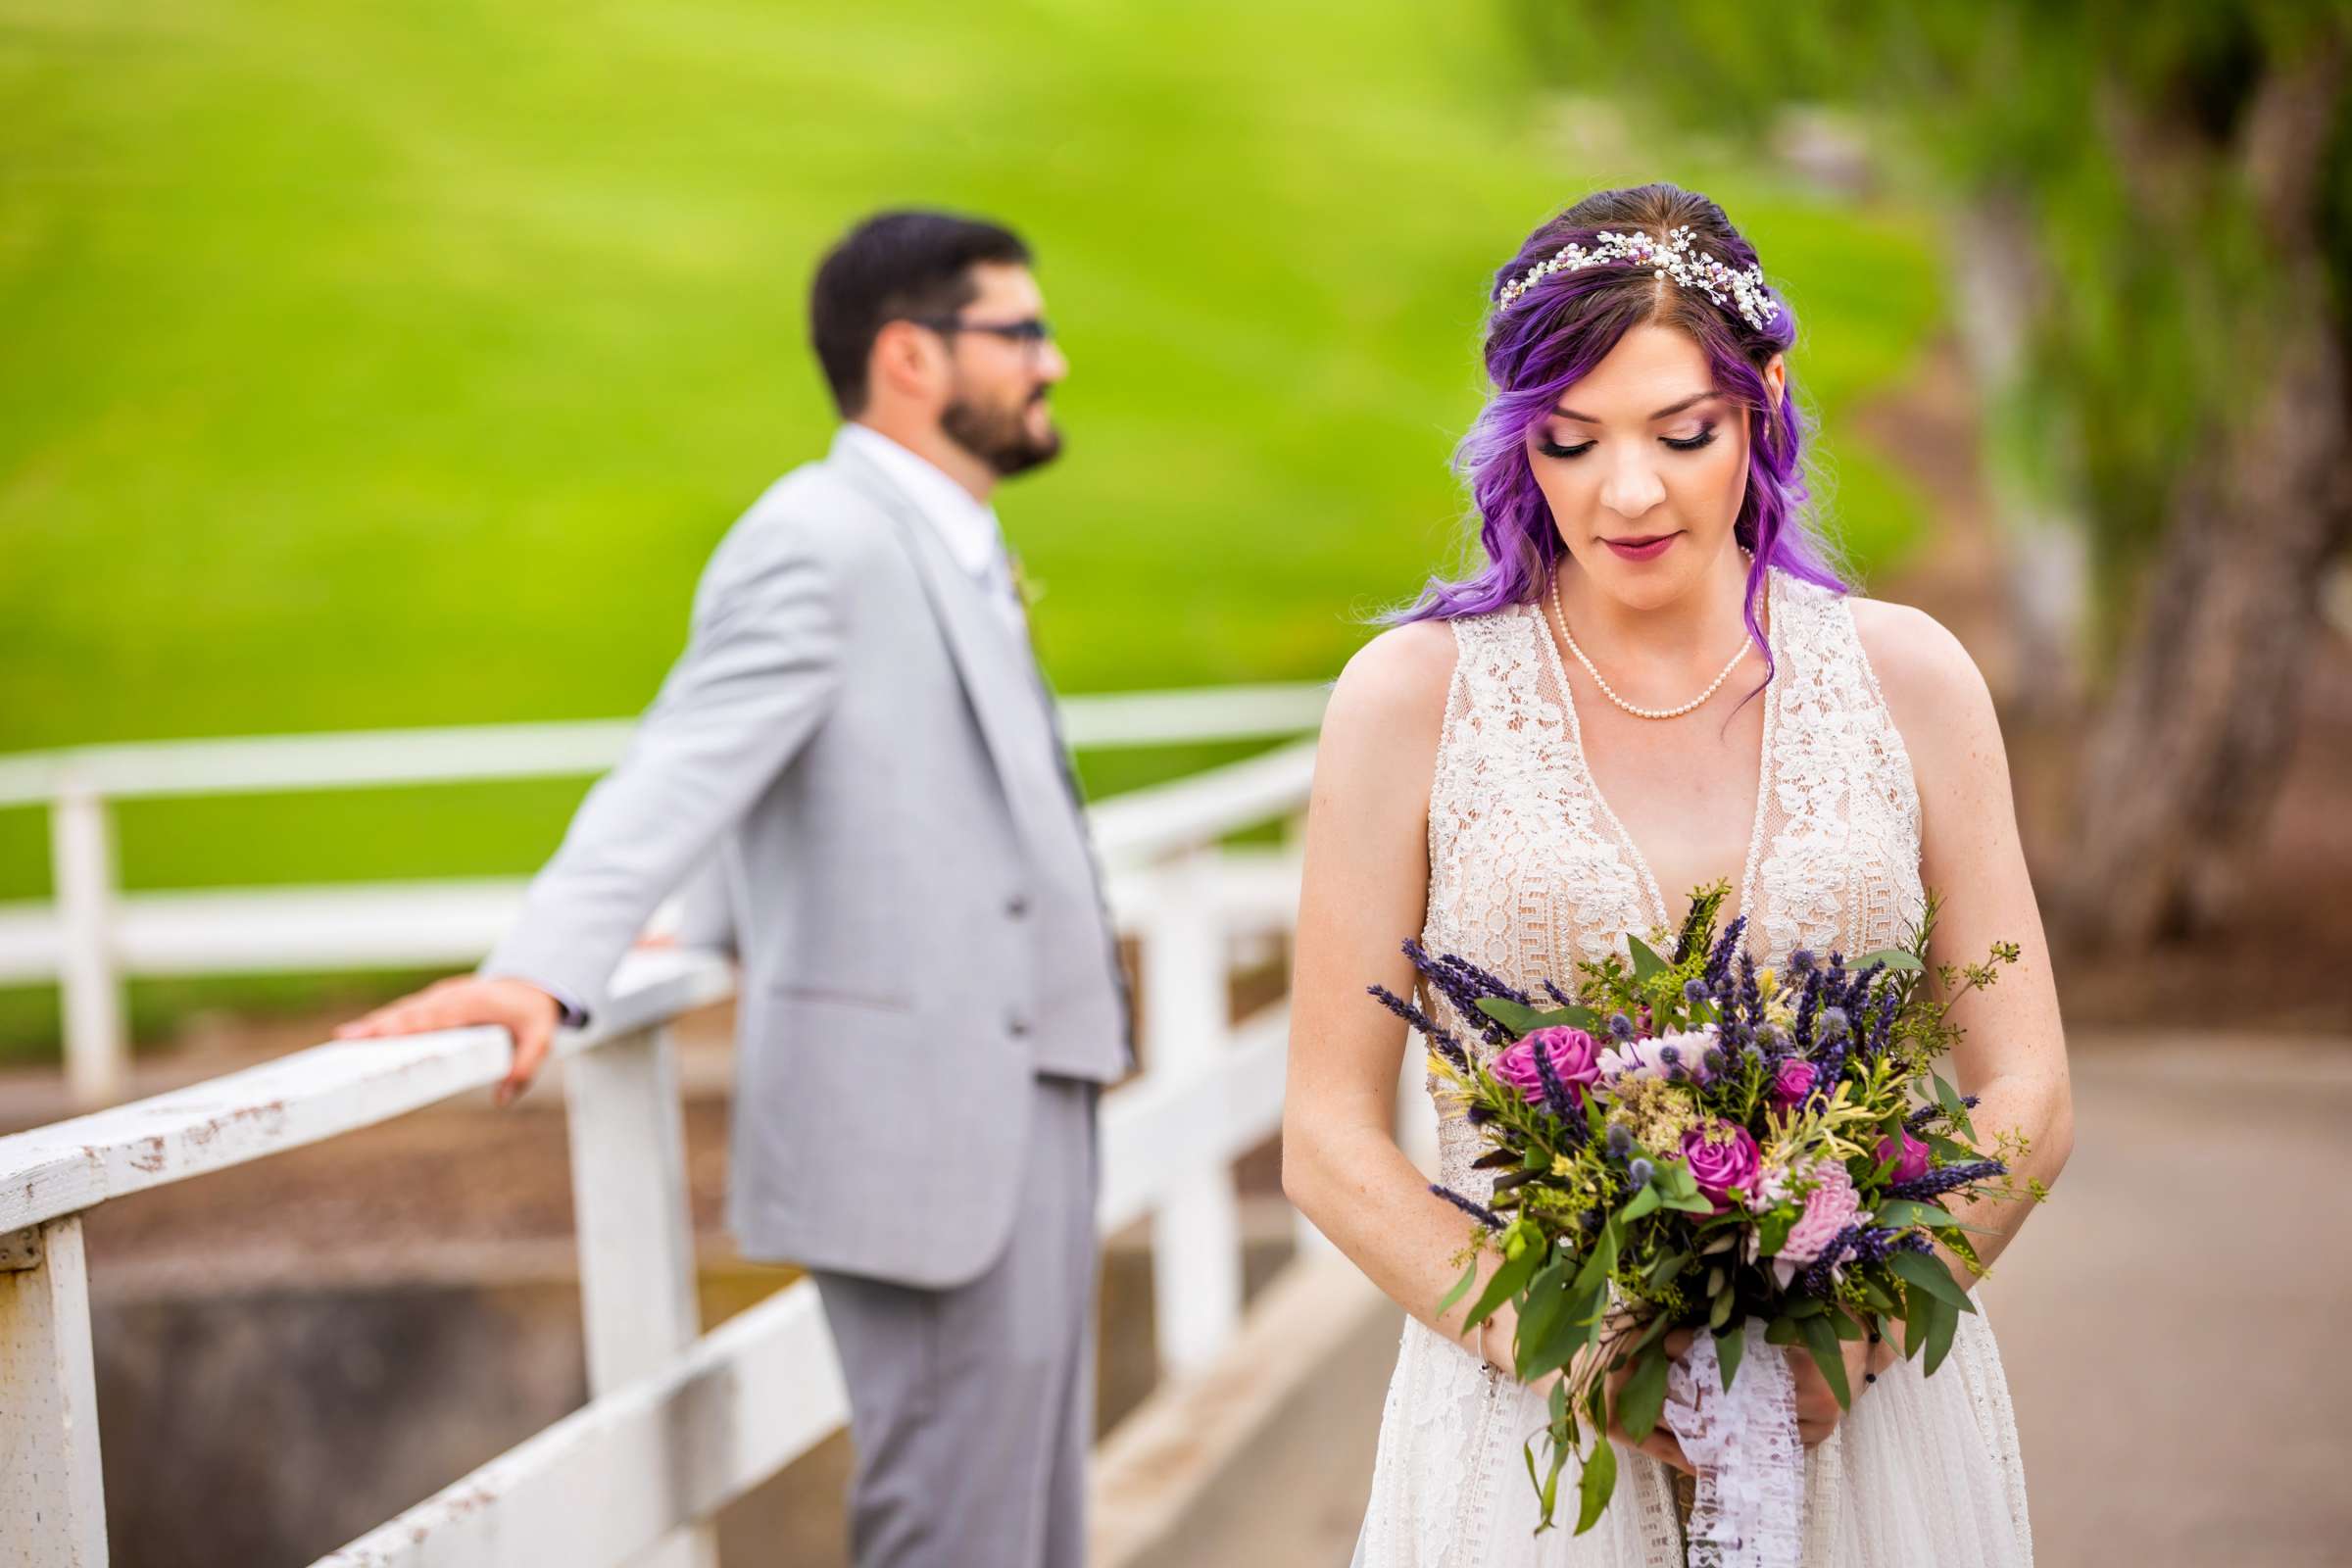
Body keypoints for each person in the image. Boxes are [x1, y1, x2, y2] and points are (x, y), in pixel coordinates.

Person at [1281, 183, 2072, 1565]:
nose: (1625, 492)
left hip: (1866, 1432)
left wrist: (1868, 1334)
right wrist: (1571, 1349)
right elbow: (1326, 1138)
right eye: (1570, 443)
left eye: (1680, 433)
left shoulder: (1910, 679)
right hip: (1529, 1439)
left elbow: (2031, 1096)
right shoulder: (1411, 701)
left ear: (1764, 401)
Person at [337, 209, 1130, 1568]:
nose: (1050, 361)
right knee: (954, 1530)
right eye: (1019, 332)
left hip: (1029, 1090)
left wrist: (704, 917)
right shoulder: (818, 536)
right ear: (909, 358)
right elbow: (686, 759)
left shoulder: (945, 534)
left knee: (1034, 1519)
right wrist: (543, 965)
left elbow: (841, 778)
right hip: (925, 1126)